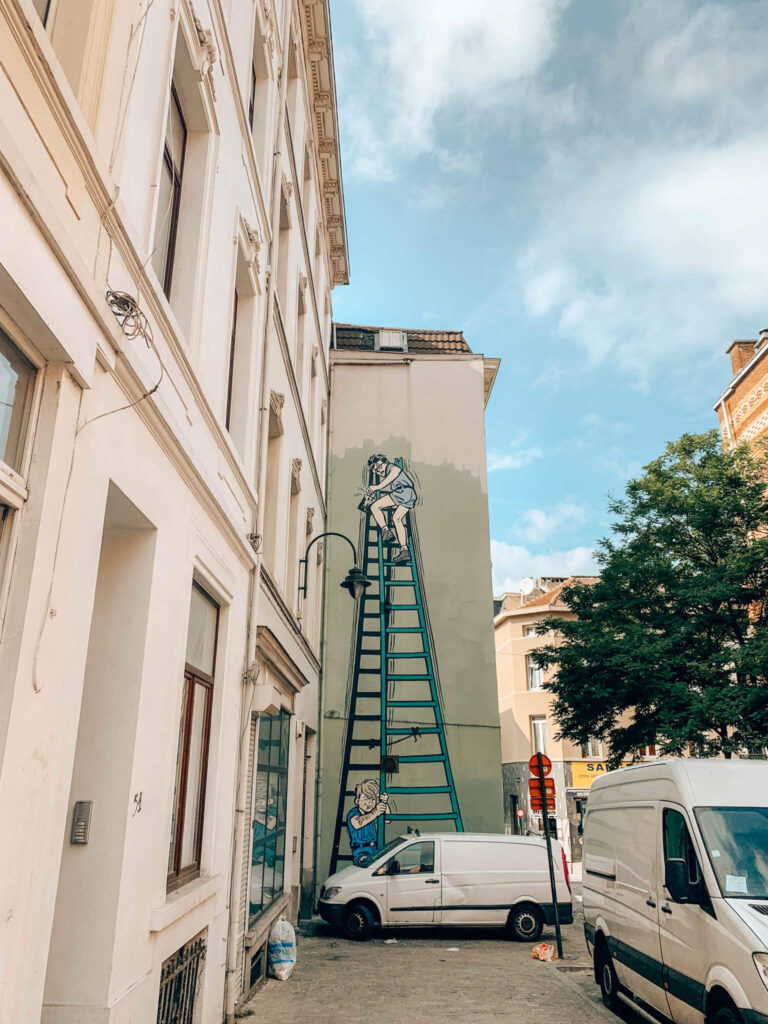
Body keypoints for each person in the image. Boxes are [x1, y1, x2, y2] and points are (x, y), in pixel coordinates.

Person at [359, 455, 417, 565]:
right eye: (375, 470)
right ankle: (404, 550)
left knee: (374, 507)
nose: (378, 470)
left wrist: (377, 487)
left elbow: (395, 473)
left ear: (385, 462)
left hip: (402, 492)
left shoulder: (392, 468)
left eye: (379, 466)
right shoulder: (389, 470)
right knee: (397, 519)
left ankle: (386, 531)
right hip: (410, 494)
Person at [347, 778, 389, 866]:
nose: (370, 802)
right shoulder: (354, 813)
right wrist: (376, 812)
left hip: (376, 849)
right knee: (366, 864)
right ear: (357, 801)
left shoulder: (373, 814)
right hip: (361, 851)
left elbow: (387, 819)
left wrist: (384, 802)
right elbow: (357, 823)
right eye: (366, 798)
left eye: (373, 799)